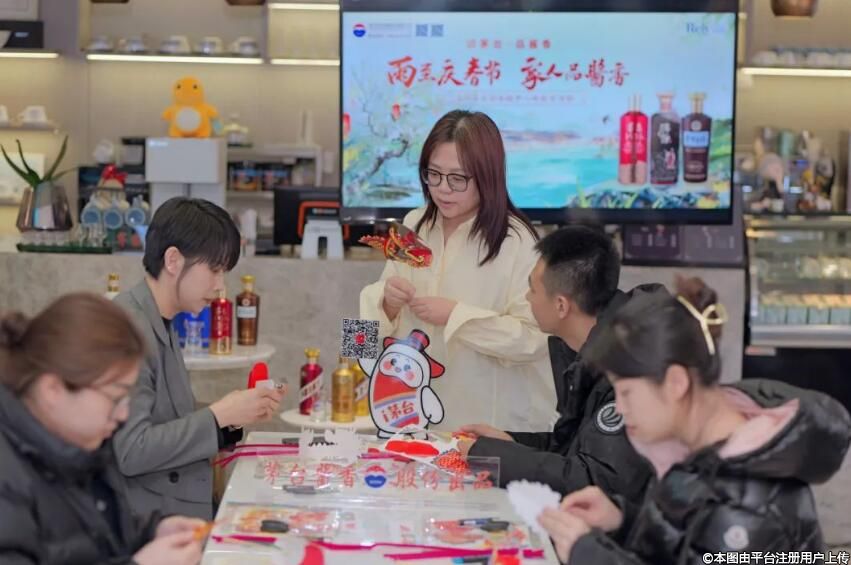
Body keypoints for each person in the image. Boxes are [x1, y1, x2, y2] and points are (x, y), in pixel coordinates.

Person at [538, 277, 851, 564]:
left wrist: (589, 554)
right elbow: (691, 544)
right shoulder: (697, 448)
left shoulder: (748, 509)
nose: (620, 407)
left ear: (676, 383)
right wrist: (622, 521)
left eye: (627, 392)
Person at [360, 109, 553, 431]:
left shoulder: (516, 241)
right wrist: (388, 304)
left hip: (484, 426)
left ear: (487, 176)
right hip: (409, 417)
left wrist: (456, 317)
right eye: (433, 174)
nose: (443, 189)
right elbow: (362, 333)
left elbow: (536, 341)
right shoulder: (414, 222)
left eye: (458, 178)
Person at [0, 293, 205, 565]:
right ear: (52, 390)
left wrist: (151, 533)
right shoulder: (9, 474)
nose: (123, 415)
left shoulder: (81, 445)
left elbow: (95, 535)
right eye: (115, 398)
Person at [113, 197, 285, 520]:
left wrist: (232, 417)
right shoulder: (128, 328)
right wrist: (218, 415)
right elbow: (132, 449)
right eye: (214, 270)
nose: (220, 287)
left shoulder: (161, 319)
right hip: (151, 526)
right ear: (173, 260)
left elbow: (171, 420)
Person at [458, 226, 657, 501]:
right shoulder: (597, 345)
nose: (527, 297)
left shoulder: (628, 363)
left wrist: (490, 456)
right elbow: (575, 446)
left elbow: (597, 479)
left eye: (532, 289)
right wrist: (509, 442)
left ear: (561, 305)